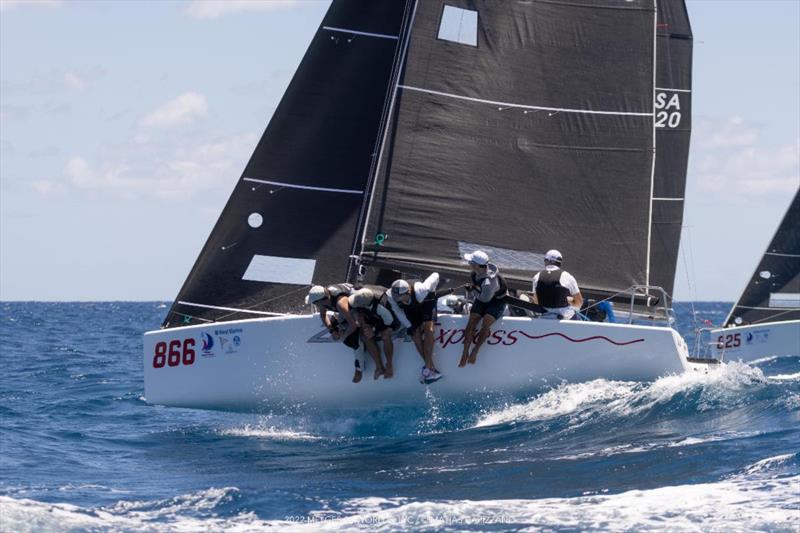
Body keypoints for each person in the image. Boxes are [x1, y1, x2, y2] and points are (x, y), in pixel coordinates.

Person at [389, 273, 443, 384]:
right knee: (415, 333)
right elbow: (398, 312)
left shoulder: (421, 290)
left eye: (399, 297)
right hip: (412, 307)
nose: (396, 300)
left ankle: (427, 368)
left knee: (429, 330)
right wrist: (409, 326)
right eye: (395, 297)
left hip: (427, 301)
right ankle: (430, 368)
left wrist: (432, 289)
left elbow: (435, 275)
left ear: (407, 292)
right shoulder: (391, 295)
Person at [306, 283, 365, 382]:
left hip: (360, 308)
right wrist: (332, 330)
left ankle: (359, 368)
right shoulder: (324, 298)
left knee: (353, 339)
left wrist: (343, 336)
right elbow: (323, 315)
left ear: (322, 300)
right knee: (334, 323)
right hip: (348, 310)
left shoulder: (340, 304)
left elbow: (354, 325)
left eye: (315, 303)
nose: (314, 305)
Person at [460, 250, 507, 367]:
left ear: (476, 265)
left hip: (496, 301)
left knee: (485, 323)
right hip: (484, 295)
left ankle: (475, 351)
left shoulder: (488, 282)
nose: (468, 263)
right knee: (471, 322)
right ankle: (465, 352)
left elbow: (483, 299)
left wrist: (472, 291)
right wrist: (474, 288)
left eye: (470, 261)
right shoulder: (475, 273)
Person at [348, 286, 398, 379]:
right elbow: (355, 307)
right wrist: (360, 316)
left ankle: (389, 366)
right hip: (376, 316)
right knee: (365, 335)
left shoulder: (381, 308)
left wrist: (374, 330)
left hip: (392, 319)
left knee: (385, 335)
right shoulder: (362, 293)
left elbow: (389, 322)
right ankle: (379, 367)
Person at [531, 249, 583, 320]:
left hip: (545, 318)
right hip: (566, 318)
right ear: (560, 263)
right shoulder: (567, 276)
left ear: (545, 261)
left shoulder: (536, 277)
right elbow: (579, 303)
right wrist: (568, 300)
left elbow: (536, 301)